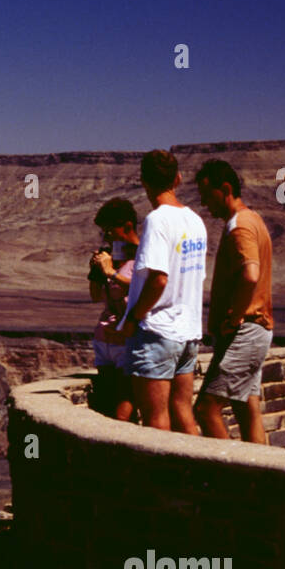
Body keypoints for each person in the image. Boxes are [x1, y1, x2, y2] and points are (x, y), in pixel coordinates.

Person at [109, 150, 208, 434]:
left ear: (144, 182)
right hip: (188, 332)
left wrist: (132, 319)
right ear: (177, 179)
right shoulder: (195, 221)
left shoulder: (157, 220)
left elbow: (159, 280)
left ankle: (161, 479)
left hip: (157, 331)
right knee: (184, 415)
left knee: (155, 422)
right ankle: (195, 475)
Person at [192, 159, 273, 443]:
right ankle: (265, 474)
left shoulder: (239, 226)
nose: (204, 204)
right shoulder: (254, 220)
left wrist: (236, 316)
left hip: (246, 329)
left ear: (225, 188)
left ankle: (228, 477)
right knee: (246, 407)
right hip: (257, 330)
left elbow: (250, 275)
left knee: (205, 410)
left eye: (207, 195)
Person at [88, 198, 139, 420]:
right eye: (104, 233)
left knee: (125, 403)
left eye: (110, 231)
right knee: (107, 402)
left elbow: (145, 288)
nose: (107, 237)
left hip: (126, 340)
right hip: (105, 339)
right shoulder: (113, 259)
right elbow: (95, 296)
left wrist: (111, 273)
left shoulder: (144, 256)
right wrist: (96, 273)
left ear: (127, 226)